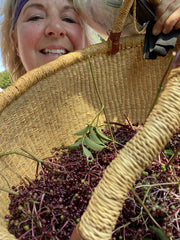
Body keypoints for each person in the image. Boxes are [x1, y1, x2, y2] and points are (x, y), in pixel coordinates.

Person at [0, 0, 180, 83]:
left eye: (69, 19)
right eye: (36, 17)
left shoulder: (131, 92)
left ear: (84, 39)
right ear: (15, 40)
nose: (55, 28)